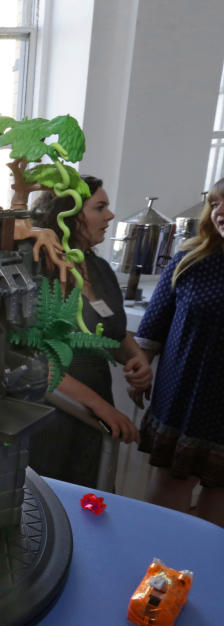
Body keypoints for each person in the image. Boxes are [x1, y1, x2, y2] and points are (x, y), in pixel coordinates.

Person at [25, 176, 152, 489]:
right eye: (100, 207)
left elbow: (115, 334)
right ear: (69, 215)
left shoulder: (99, 269)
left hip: (94, 411)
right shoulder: (37, 271)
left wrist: (136, 357)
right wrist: (101, 407)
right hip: (52, 413)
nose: (110, 215)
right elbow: (36, 359)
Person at [135, 177, 224, 527]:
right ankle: (153, 573)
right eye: (216, 203)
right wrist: (139, 370)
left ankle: (203, 577)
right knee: (168, 494)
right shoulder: (191, 257)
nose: (220, 212)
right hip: (182, 399)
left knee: (218, 504)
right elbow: (152, 328)